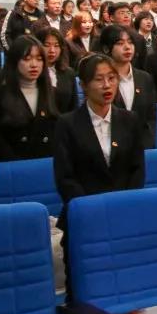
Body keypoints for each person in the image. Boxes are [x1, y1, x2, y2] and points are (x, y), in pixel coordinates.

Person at [52, 52, 146, 297]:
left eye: (112, 78)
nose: (107, 85)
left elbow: (137, 169)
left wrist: (122, 205)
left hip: (123, 215)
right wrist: (92, 210)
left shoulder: (129, 119)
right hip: (84, 217)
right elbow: (65, 177)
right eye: (99, 79)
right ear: (83, 85)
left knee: (127, 285)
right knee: (86, 289)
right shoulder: (67, 124)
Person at [0, 35, 59, 161]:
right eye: (27, 59)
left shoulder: (52, 93)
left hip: (47, 164)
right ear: (15, 61)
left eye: (39, 59)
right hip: (13, 166)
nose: (34, 65)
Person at [100, 24, 157, 149]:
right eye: (120, 43)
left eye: (130, 42)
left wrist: (145, 145)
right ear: (106, 48)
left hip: (142, 148)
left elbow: (151, 118)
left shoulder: (144, 78)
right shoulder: (101, 80)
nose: (127, 47)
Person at [36, 27, 78, 114]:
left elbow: (74, 107)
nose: (52, 50)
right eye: (47, 45)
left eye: (56, 46)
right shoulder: (34, 72)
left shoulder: (69, 73)